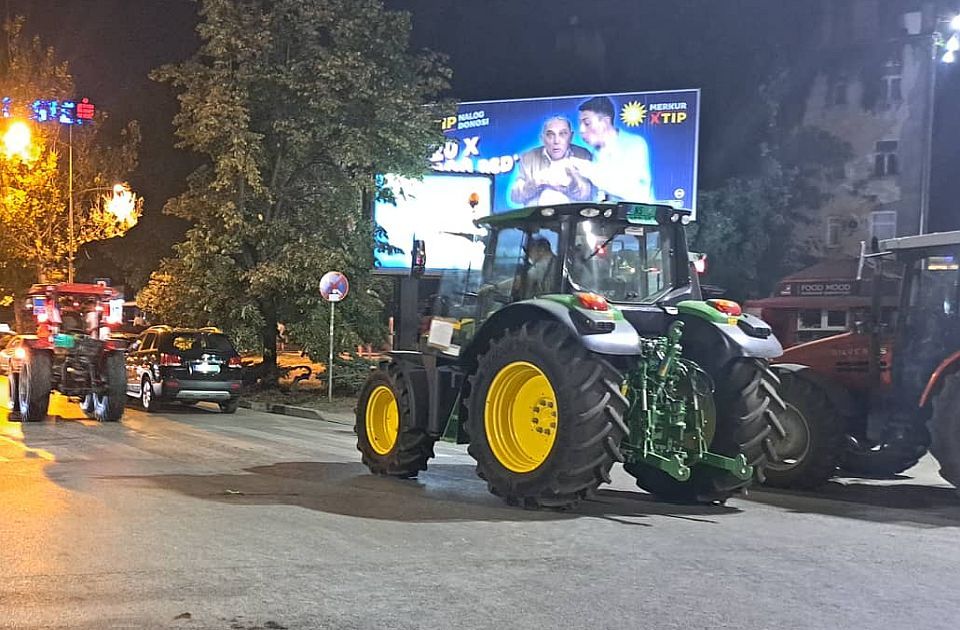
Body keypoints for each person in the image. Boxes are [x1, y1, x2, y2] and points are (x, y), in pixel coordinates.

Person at [568, 96, 654, 203]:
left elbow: (636, 192)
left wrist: (589, 170)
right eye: (580, 123)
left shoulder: (634, 145)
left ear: (605, 122)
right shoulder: (593, 154)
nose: (581, 130)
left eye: (587, 123)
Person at [510, 115, 594, 206]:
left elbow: (588, 195)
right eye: (550, 135)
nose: (556, 141)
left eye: (563, 134)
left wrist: (570, 182)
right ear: (542, 139)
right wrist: (534, 183)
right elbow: (515, 197)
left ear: (571, 137)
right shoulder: (528, 158)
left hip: (572, 217)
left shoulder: (583, 155)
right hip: (538, 218)